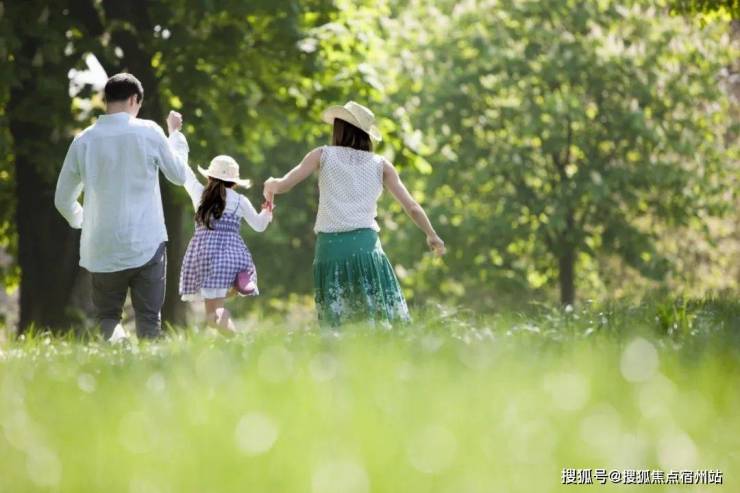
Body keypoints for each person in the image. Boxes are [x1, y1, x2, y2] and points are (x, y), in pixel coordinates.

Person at [263, 101, 445, 327]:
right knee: (376, 319)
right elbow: (412, 207)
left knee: (339, 324)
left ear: (339, 129)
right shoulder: (381, 165)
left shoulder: (322, 155)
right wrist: (432, 234)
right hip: (366, 248)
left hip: (331, 249)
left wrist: (270, 185)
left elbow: (283, 185)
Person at [54, 73, 189, 340]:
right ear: (134, 99)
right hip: (146, 242)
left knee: (107, 317)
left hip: (101, 245)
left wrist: (83, 220)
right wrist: (175, 135)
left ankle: (117, 350)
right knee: (149, 318)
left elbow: (62, 200)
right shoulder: (149, 132)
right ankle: (148, 364)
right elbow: (178, 175)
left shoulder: (84, 140)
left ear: (106, 100)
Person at [179, 155, 272, 334]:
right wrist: (267, 211)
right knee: (213, 316)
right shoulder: (240, 200)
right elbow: (259, 226)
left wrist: (177, 144)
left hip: (205, 259)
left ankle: (238, 341)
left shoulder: (200, 194)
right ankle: (236, 338)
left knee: (213, 316)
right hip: (231, 260)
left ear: (209, 177)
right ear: (234, 182)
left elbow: (185, 173)